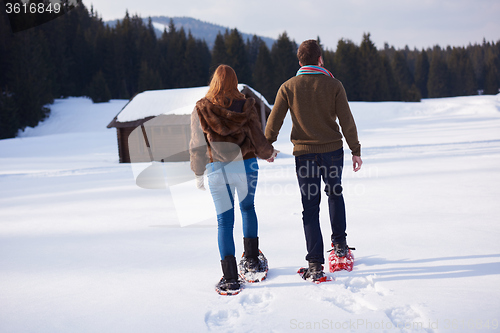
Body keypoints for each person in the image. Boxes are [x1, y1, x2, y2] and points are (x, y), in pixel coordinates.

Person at [265, 39, 362, 282]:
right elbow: (346, 121)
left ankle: (315, 264)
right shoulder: (334, 85)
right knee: (335, 195)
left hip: (304, 155)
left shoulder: (288, 87)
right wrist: (355, 150)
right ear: (320, 59)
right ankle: (340, 246)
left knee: (310, 206)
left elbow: (273, 122)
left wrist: (267, 146)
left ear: (300, 61)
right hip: (332, 153)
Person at [190, 64, 278, 295]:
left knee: (224, 221)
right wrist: (267, 153)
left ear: (214, 82)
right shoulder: (247, 105)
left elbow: (197, 145)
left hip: (217, 168)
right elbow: (258, 136)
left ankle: (230, 278)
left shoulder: (201, 108)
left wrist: (198, 172)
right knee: (248, 209)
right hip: (246, 165)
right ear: (234, 82)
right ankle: (251, 261)